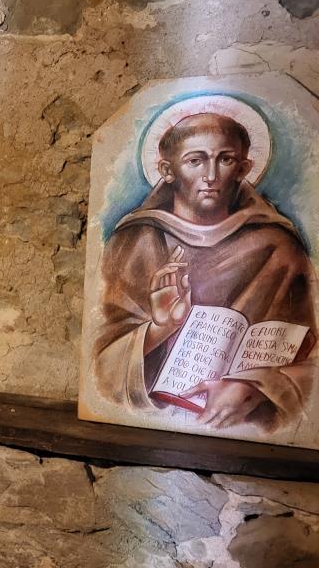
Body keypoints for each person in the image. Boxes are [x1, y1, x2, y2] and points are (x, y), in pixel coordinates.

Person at [93, 112, 316, 432]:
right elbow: (101, 369)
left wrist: (254, 386)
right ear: (167, 170)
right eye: (195, 161)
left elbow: (310, 356)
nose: (211, 175)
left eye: (225, 159)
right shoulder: (135, 242)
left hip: (244, 425)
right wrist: (160, 327)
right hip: (150, 425)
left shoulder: (280, 249)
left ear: (243, 169)